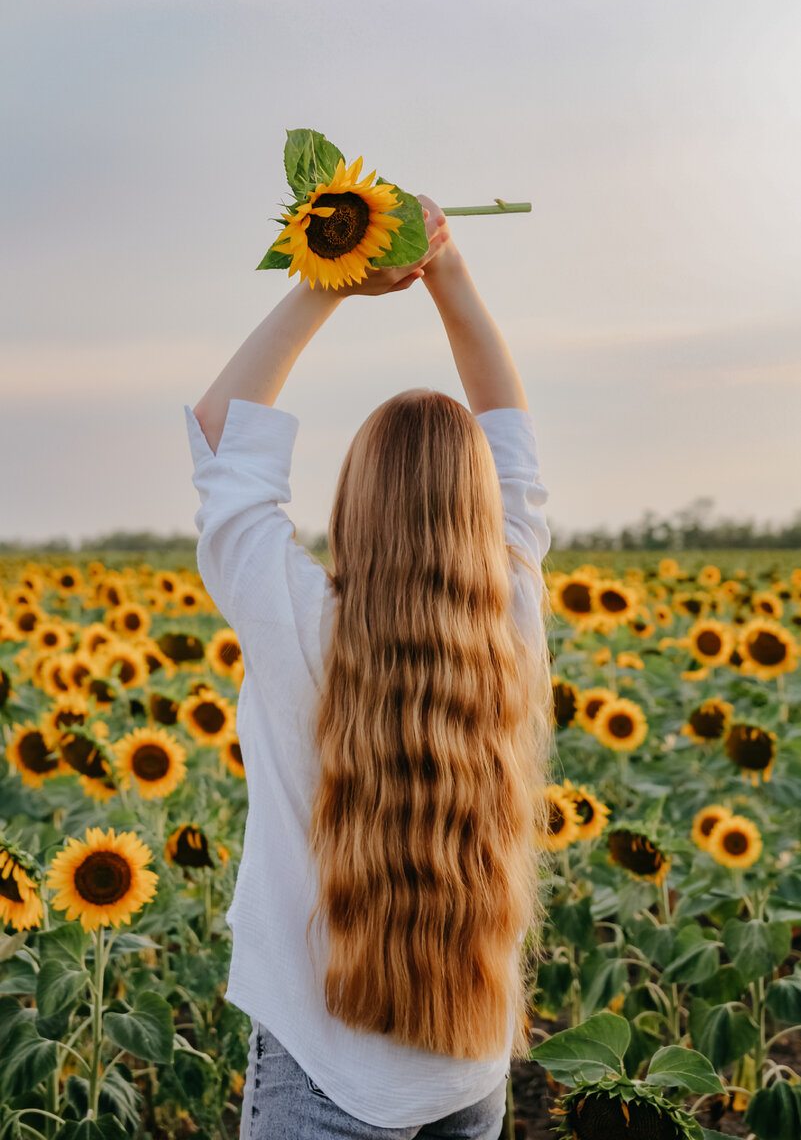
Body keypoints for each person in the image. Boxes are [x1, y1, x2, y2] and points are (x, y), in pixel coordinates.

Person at [186, 194, 554, 1139]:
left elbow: (223, 434)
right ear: (482, 512)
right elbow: (509, 440)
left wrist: (329, 277)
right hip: (468, 1072)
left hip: (321, 1074)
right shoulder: (509, 617)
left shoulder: (301, 626)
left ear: (353, 502)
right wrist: (449, 273)